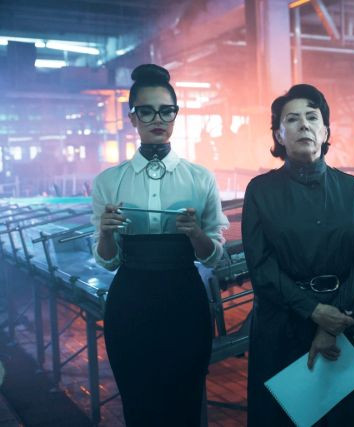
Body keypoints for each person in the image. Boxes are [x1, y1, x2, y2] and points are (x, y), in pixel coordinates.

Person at [91, 64, 229, 426]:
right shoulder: (108, 181)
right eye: (147, 111)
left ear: (176, 115)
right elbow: (108, 262)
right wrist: (106, 233)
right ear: (132, 118)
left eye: (166, 111)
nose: (158, 119)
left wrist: (196, 233)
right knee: (138, 403)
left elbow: (214, 256)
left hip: (184, 301)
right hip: (130, 303)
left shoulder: (200, 178)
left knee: (185, 403)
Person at [242, 84, 354, 426]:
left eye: (312, 117)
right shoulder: (260, 191)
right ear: (279, 135)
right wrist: (315, 311)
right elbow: (261, 267)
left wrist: (332, 322)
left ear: (326, 131)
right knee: (280, 418)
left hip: (343, 325)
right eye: (292, 119)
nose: (304, 124)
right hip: (281, 324)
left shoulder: (351, 189)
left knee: (340, 419)